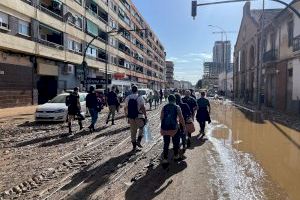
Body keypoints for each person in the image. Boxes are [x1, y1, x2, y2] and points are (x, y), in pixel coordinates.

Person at [161, 95, 185, 165]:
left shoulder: (164, 107)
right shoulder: (177, 107)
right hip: (174, 128)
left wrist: (163, 126)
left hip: (165, 128)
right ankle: (176, 156)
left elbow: (161, 117)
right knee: (176, 143)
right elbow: (181, 118)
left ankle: (165, 159)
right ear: (174, 100)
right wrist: (183, 126)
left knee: (166, 143)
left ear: (168, 100)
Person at [124, 85, 148, 151]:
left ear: (131, 90)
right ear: (137, 90)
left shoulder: (128, 97)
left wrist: (127, 117)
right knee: (142, 128)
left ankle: (134, 147)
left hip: (131, 117)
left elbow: (125, 108)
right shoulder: (140, 97)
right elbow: (143, 108)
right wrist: (145, 116)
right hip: (139, 116)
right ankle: (139, 141)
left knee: (133, 131)